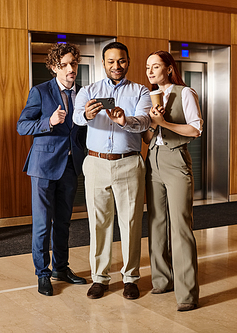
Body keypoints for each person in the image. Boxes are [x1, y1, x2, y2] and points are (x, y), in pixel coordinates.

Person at [73, 42, 151, 300]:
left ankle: (130, 277)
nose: (116, 66)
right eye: (111, 62)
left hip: (129, 162)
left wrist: (124, 120)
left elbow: (145, 121)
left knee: (130, 222)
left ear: (128, 62)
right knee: (98, 223)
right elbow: (75, 118)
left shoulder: (140, 91)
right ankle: (100, 278)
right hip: (95, 163)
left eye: (121, 61)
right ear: (103, 63)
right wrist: (86, 113)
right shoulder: (88, 90)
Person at [17, 43, 87, 296]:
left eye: (74, 64)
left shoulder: (84, 94)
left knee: (64, 223)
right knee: (42, 225)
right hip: (44, 166)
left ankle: (61, 267)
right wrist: (48, 121)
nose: (71, 69)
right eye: (65, 65)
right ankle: (42, 274)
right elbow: (22, 126)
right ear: (54, 67)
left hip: (71, 165)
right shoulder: (40, 92)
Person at [143, 50, 202, 311]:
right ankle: (161, 279)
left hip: (176, 159)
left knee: (180, 226)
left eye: (156, 66)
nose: (151, 71)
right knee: (156, 222)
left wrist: (164, 122)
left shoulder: (185, 93)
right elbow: (146, 139)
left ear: (169, 68)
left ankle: (187, 293)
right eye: (147, 67)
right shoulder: (149, 97)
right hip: (152, 159)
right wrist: (154, 124)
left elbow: (196, 129)